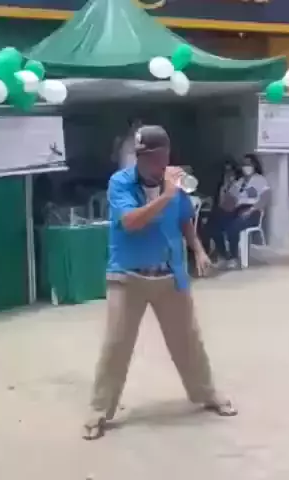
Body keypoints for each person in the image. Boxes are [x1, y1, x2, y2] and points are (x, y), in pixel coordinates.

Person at [82, 125, 237, 441]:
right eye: (149, 158)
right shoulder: (120, 183)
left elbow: (184, 219)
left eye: (161, 156)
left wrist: (198, 250)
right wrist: (166, 195)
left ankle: (207, 394)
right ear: (138, 158)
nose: (156, 163)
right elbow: (130, 222)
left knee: (188, 341)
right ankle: (99, 411)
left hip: (169, 274)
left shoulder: (175, 183)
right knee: (116, 345)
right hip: (128, 276)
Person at [210, 153, 270, 269]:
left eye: (248, 164)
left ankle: (234, 257)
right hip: (236, 209)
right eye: (244, 164)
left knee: (233, 227)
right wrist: (226, 186)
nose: (246, 167)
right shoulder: (239, 182)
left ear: (254, 165)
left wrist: (251, 210)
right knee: (214, 225)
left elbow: (265, 198)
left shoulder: (260, 180)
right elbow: (227, 202)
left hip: (253, 211)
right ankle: (224, 255)